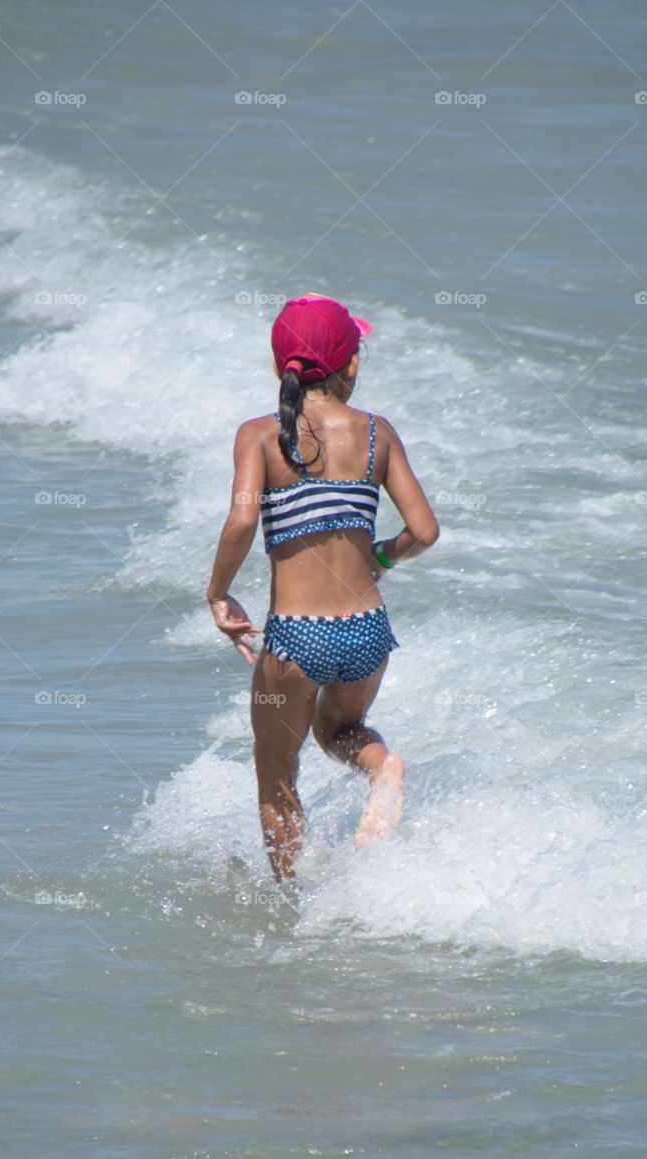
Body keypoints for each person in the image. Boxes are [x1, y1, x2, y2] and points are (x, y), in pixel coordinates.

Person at [206, 293, 439, 882]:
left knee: (277, 775)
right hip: (368, 632)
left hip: (296, 641)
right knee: (341, 732)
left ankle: (291, 903)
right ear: (350, 364)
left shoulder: (259, 436)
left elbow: (239, 521)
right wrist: (381, 555)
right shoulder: (376, 434)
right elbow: (424, 530)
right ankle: (382, 769)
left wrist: (218, 594)